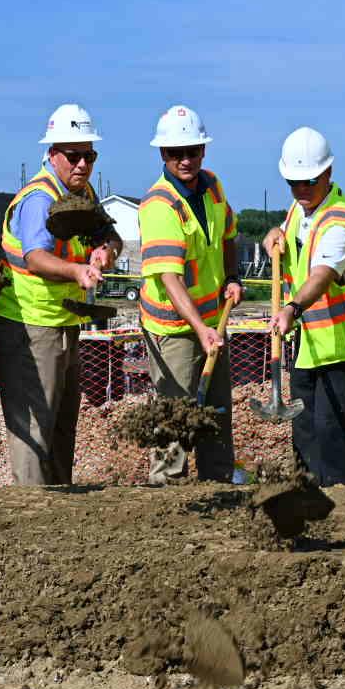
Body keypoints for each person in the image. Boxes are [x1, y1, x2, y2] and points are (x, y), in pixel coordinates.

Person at [0, 103, 122, 485]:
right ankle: (32, 511)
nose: (82, 164)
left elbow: (108, 235)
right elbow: (35, 258)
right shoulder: (39, 199)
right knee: (35, 429)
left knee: (62, 424)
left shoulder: (83, 193)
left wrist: (107, 251)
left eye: (89, 155)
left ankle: (58, 507)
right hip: (30, 325)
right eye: (73, 155)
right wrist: (78, 270)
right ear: (52, 154)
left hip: (62, 322)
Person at [262, 127, 345, 486]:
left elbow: (322, 274)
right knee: (304, 432)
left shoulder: (340, 223)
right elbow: (295, 238)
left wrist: (292, 308)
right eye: (293, 182)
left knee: (332, 434)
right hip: (310, 346)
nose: (301, 190)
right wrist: (275, 232)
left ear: (328, 174)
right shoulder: (301, 208)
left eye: (309, 181)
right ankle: (308, 497)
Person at [137, 105, 241, 483]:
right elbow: (169, 278)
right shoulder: (160, 205)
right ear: (162, 155)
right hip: (175, 331)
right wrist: (201, 329)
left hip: (212, 322)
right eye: (175, 153)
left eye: (192, 151)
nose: (185, 160)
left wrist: (233, 275)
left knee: (215, 415)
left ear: (203, 150)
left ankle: (219, 484)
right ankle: (168, 493)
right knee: (176, 421)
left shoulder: (213, 185)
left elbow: (229, 235)